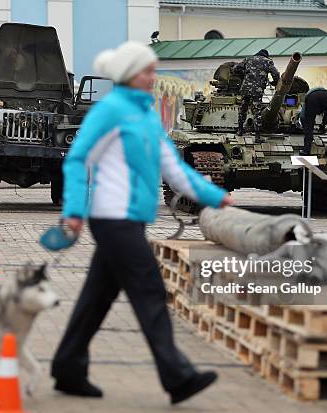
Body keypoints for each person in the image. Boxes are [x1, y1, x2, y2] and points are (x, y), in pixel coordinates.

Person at [51, 42, 233, 405]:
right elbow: (76, 160)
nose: (154, 77)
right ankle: (178, 376)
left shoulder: (147, 116)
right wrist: (73, 210)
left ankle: (68, 368)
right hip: (111, 217)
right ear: (130, 74)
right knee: (149, 290)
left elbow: (173, 167)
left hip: (130, 221)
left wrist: (215, 195)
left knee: (97, 296)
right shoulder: (110, 111)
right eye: (149, 71)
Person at [232, 49, 279, 140]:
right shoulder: (268, 61)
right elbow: (275, 74)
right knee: (257, 111)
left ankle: (240, 129)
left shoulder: (248, 59)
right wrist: (274, 82)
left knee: (243, 108)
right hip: (257, 90)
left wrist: (244, 74)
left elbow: (235, 69)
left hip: (245, 88)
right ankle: (257, 136)